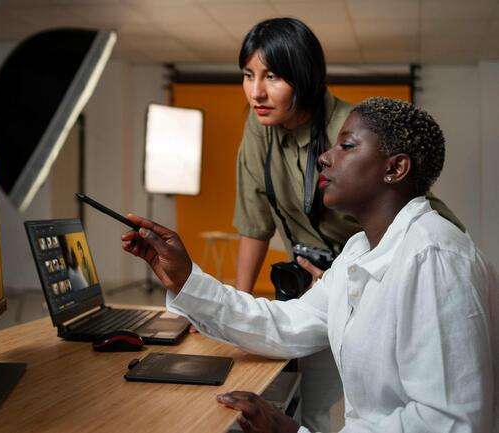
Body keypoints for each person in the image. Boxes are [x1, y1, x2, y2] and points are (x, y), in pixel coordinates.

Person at [121, 97, 497, 433]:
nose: (324, 156)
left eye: (347, 146)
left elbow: (449, 423)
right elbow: (289, 324)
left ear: (395, 168)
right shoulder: (359, 249)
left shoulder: (434, 257)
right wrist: (186, 279)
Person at [231, 17, 463, 431]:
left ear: (305, 77)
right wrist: (240, 308)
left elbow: (417, 207)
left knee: (373, 403)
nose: (256, 92)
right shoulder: (259, 124)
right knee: (306, 399)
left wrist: (388, 276)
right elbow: (254, 222)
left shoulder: (347, 126)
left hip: (373, 277)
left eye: (273, 76)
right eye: (249, 75)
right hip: (321, 281)